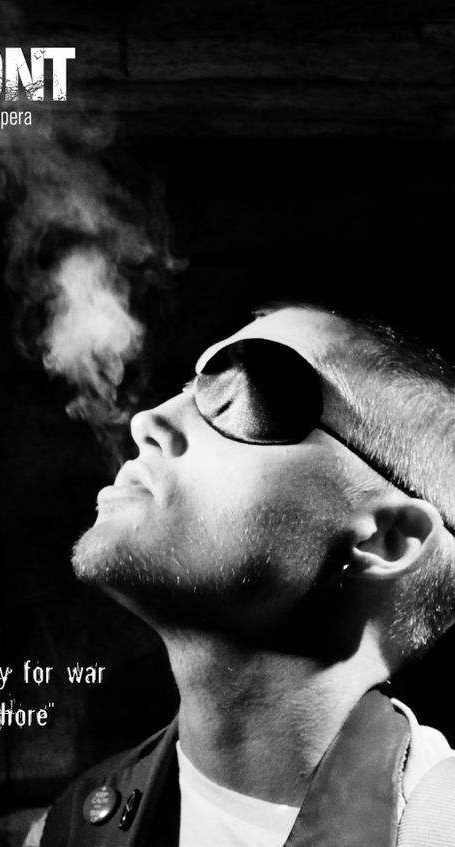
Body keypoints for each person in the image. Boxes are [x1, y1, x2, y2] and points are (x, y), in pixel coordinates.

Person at [28, 302, 455, 846]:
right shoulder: (67, 831)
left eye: (241, 395)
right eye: (189, 388)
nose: (147, 421)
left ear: (386, 539)